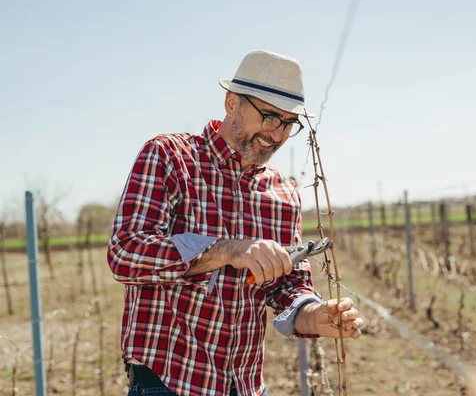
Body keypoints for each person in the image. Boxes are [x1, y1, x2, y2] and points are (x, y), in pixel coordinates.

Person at [107, 49, 363, 396]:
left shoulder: (284, 193)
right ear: (232, 104)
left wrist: (313, 314)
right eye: (270, 117)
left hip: (244, 386)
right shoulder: (170, 157)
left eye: (289, 124)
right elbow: (125, 255)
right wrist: (225, 251)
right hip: (168, 383)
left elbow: (285, 288)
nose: (277, 135)